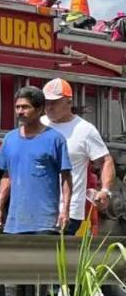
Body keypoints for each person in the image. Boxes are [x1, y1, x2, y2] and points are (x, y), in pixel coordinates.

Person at [0, 86, 72, 296]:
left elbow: (66, 177)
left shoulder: (54, 139)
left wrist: (64, 209)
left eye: (25, 107)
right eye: (17, 107)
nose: (20, 112)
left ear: (38, 109)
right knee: (13, 267)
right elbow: (6, 175)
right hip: (16, 218)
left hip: (44, 218)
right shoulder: (10, 139)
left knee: (39, 267)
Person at [42, 77, 115, 236]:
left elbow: (105, 161)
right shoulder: (39, 124)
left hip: (68, 212)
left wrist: (105, 191)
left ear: (69, 102)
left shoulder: (84, 130)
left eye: (54, 102)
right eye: (46, 101)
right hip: (36, 209)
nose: (49, 107)